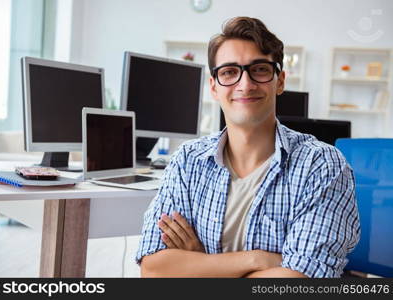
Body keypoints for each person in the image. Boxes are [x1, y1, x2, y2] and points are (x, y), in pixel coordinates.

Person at [136, 16, 360, 278]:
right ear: (214, 87)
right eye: (229, 72)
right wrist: (257, 259)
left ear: (280, 81)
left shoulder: (321, 165)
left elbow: (300, 280)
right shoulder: (187, 160)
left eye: (260, 69)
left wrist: (200, 264)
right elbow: (153, 271)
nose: (245, 84)